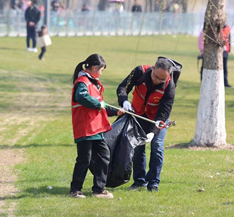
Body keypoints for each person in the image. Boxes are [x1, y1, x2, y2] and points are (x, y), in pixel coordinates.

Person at [117, 56, 181, 192]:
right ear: (152, 69)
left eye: (161, 79)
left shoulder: (169, 87)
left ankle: (153, 183)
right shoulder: (139, 71)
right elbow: (123, 87)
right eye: (155, 76)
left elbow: (163, 113)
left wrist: (153, 132)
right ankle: (139, 181)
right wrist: (124, 101)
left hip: (157, 118)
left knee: (156, 146)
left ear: (168, 76)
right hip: (138, 114)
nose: (157, 80)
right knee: (138, 147)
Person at [69, 54, 119, 199]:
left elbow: (101, 107)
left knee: (104, 156)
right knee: (84, 159)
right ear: (95, 68)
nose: (101, 73)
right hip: (85, 128)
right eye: (102, 70)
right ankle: (75, 190)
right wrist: (99, 104)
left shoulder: (94, 83)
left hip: (96, 129)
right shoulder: (82, 82)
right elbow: (82, 97)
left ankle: (98, 189)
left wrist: (117, 111)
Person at [197, 22, 231, 87]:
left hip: (224, 51)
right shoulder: (205, 32)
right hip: (207, 51)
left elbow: (228, 39)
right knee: (205, 67)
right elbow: (201, 42)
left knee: (224, 67)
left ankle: (224, 82)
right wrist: (202, 50)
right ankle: (204, 81)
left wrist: (229, 50)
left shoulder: (226, 28)